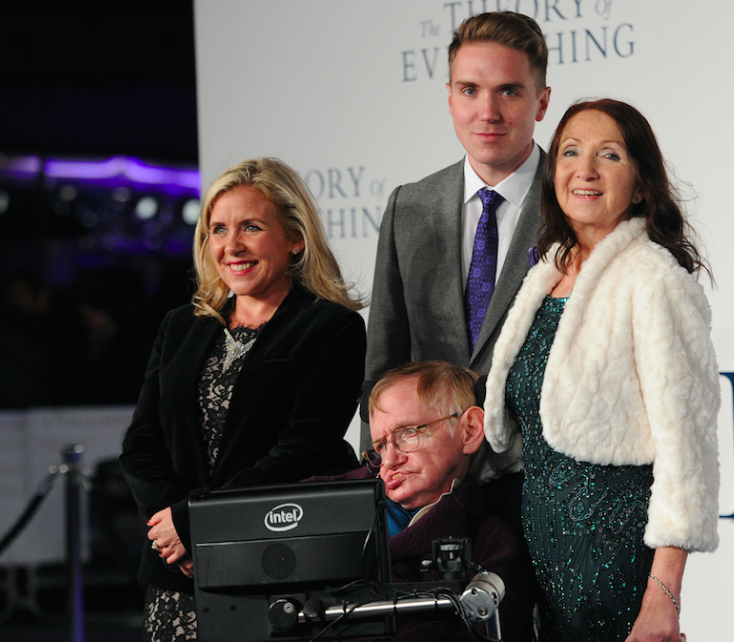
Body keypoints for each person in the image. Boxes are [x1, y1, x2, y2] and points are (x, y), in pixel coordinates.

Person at [483, 100, 721, 642]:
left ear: (639, 185)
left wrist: (663, 595)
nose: (584, 169)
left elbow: (688, 451)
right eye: (570, 152)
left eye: (608, 155)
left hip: (614, 561)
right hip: (538, 554)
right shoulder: (546, 272)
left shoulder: (654, 281)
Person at [119, 157, 367, 642]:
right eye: (218, 229)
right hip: (179, 576)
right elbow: (141, 444)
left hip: (276, 564)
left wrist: (196, 522)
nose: (231, 246)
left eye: (250, 227)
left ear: (295, 238)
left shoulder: (331, 328)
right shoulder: (180, 326)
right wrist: (173, 528)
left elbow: (304, 448)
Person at [361, 11, 552, 454]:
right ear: (450, 98)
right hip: (435, 482)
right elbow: (383, 368)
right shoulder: (408, 206)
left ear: (541, 102)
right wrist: (376, 479)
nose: (488, 112)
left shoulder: (574, 203)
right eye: (470, 90)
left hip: (547, 481)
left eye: (508, 91)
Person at [306, 361, 535, 642]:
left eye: (409, 432)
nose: (389, 461)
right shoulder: (321, 504)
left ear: (470, 430)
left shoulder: (493, 544)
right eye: (381, 445)